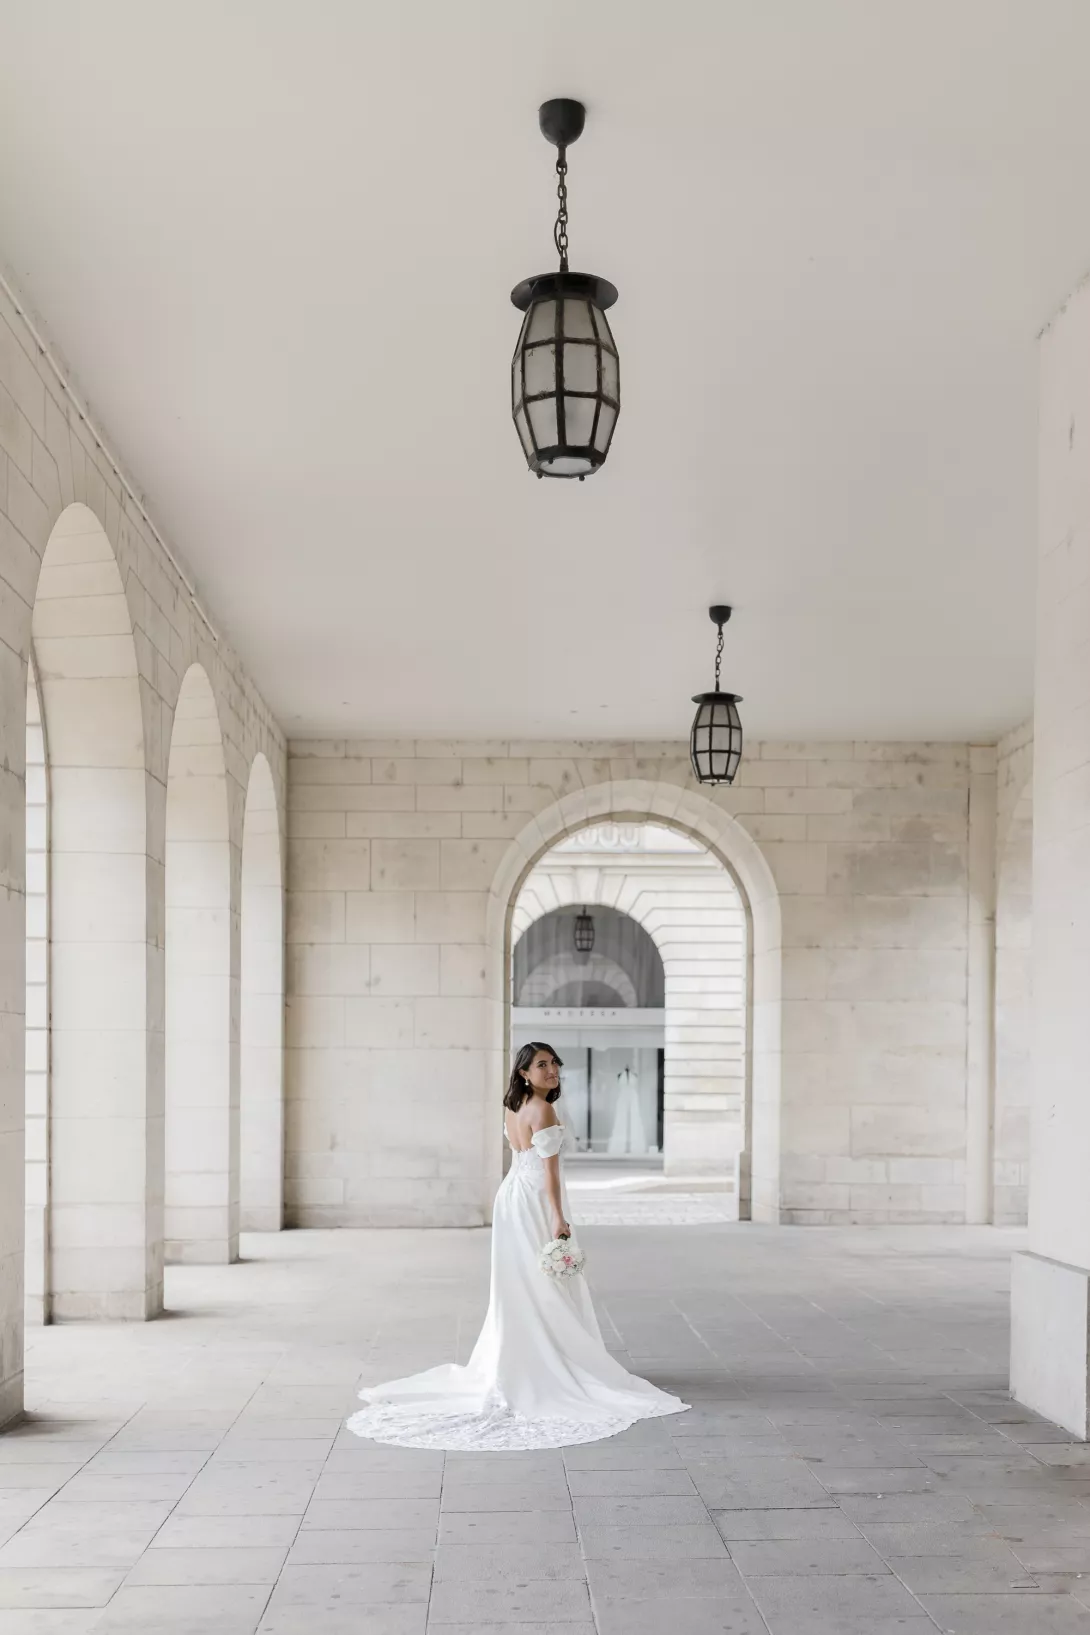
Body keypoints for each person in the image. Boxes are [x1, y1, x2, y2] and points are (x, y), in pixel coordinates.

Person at [346, 1041, 688, 1450]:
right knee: (543, 1281)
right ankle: (547, 1359)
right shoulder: (542, 1109)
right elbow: (550, 1172)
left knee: (519, 1281)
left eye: (554, 1063)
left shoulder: (514, 1106)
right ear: (524, 1072)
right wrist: (558, 1217)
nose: (552, 1070)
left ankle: (524, 1355)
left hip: (511, 1196)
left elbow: (522, 1158)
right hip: (535, 1200)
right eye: (542, 1065)